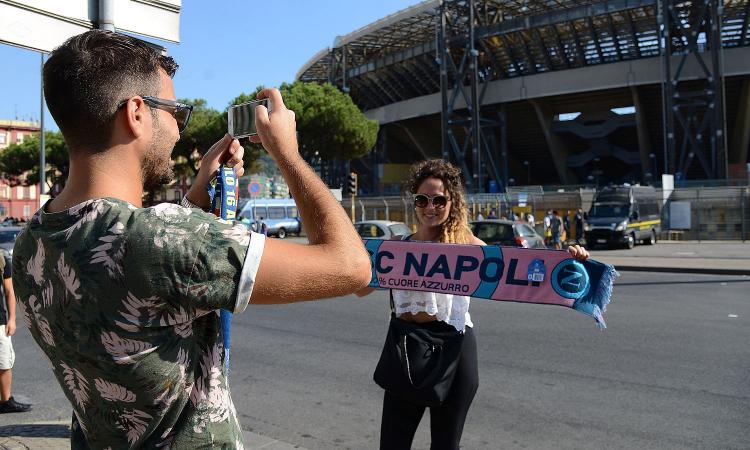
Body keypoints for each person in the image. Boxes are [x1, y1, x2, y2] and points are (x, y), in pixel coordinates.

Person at [11, 30, 371, 448]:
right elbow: (350, 266)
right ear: (137, 113)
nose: (180, 131)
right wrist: (287, 155)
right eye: (176, 113)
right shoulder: (165, 238)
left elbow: (139, 266)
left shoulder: (31, 243)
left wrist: (198, 191)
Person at [358, 160, 590, 450]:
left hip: (456, 349)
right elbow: (361, 290)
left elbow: (522, 271)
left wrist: (567, 262)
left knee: (446, 445)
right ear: (414, 202)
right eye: (422, 199)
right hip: (406, 349)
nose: (430, 207)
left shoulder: (468, 247)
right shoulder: (395, 247)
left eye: (439, 200)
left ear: (452, 202)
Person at [0, 249, 31, 414]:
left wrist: (12, 319)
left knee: (4, 362)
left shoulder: (2, 258)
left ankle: (5, 401)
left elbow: (9, 290)